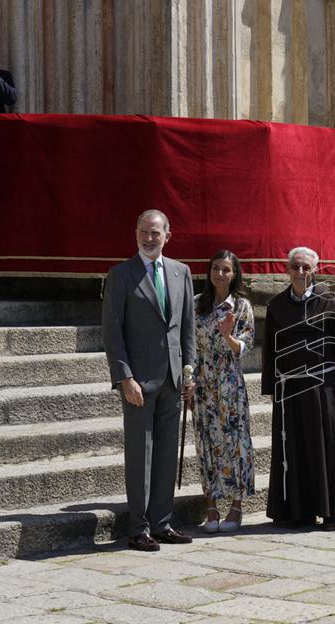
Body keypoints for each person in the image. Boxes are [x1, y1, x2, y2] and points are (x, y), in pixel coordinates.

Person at [101, 209, 196, 552]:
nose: (149, 237)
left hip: (173, 379)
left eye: (156, 232)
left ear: (167, 235)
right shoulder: (121, 275)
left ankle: (162, 522)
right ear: (136, 233)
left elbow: (187, 328)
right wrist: (124, 377)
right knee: (140, 456)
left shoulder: (180, 272)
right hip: (138, 382)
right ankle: (138, 527)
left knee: (167, 455)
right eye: (143, 231)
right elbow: (112, 332)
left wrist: (190, 371)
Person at [261, 247, 335, 530]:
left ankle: (332, 512)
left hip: (324, 387)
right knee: (294, 448)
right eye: (295, 266)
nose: (301, 272)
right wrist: (270, 387)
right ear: (287, 270)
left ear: (315, 269)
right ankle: (298, 512)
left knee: (329, 447)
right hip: (289, 389)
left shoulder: (331, 302)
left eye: (306, 267)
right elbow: (270, 350)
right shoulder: (276, 305)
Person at [192, 250, 256, 534]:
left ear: (234, 274)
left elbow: (245, 346)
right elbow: (189, 344)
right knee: (206, 440)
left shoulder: (241, 306)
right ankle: (212, 505)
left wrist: (228, 336)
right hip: (203, 381)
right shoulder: (195, 304)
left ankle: (236, 505)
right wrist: (188, 380)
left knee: (235, 440)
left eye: (226, 269)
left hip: (229, 381)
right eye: (215, 268)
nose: (220, 274)